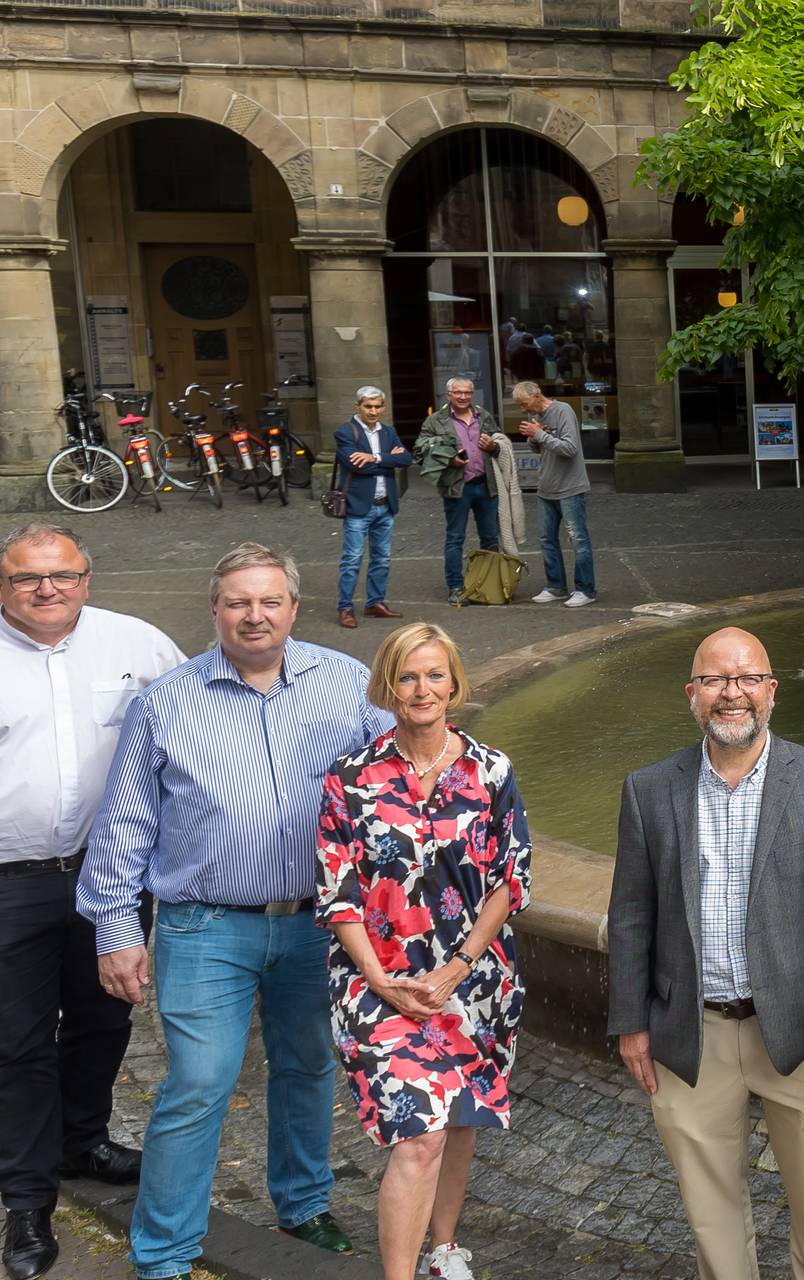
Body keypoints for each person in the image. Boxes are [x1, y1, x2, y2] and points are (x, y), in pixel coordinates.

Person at [79, 543, 396, 1280]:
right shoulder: (166, 701)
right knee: (197, 1083)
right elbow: (125, 823)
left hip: (319, 924)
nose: (255, 615)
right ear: (214, 609)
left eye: (270, 601)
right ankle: (162, 1252)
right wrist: (118, 929)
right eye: (238, 602)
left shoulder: (347, 686)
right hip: (203, 926)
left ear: (293, 607)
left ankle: (304, 1204)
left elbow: (396, 791)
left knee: (310, 1064)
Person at [0, 524, 185, 1280]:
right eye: (27, 579)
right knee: (13, 1046)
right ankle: (26, 1200)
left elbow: (196, 731)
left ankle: (83, 1139)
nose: (47, 589)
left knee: (103, 1019)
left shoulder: (138, 647)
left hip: (109, 878)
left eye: (62, 575)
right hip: (2, 884)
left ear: (87, 576)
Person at [606, 627, 804, 1280]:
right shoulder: (649, 790)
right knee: (714, 1223)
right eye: (715, 681)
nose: (732, 694)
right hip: (691, 1034)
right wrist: (631, 1023)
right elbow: (630, 917)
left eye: (747, 679)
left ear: (772, 692)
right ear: (692, 695)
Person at [316, 624, 531, 1280]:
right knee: (420, 1133)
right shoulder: (351, 778)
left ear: (454, 682)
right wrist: (381, 980)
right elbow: (337, 893)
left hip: (474, 976)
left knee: (459, 1115)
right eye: (408, 676)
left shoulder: (490, 770)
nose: (422, 689)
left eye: (435, 675)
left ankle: (444, 1249)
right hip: (376, 980)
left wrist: (458, 967)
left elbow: (511, 879)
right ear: (388, 685)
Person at [418, 377, 501, 608]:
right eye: (458, 393)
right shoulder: (436, 420)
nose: (463, 397)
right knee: (455, 538)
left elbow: (499, 442)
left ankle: (489, 585)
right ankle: (456, 587)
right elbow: (420, 448)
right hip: (457, 487)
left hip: (485, 485)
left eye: (467, 392)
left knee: (491, 538)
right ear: (448, 395)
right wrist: (448, 459)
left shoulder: (483, 416)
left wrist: (494, 447)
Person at [334, 386, 412, 628]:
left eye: (378, 406)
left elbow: (406, 459)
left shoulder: (389, 432)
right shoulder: (345, 432)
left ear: (384, 407)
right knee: (352, 559)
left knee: (382, 558)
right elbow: (356, 466)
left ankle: (374, 603)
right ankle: (345, 608)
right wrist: (388, 460)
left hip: (385, 504)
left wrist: (374, 457)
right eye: (368, 406)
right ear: (358, 406)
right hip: (359, 506)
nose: (373, 411)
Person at [513, 381, 595, 607]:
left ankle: (585, 589)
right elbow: (540, 448)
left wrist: (538, 434)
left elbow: (570, 449)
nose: (523, 409)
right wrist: (533, 438)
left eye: (524, 403)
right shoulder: (536, 417)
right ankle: (556, 586)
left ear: (537, 395)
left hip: (569, 487)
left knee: (578, 539)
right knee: (547, 540)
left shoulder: (563, 411)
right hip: (546, 487)